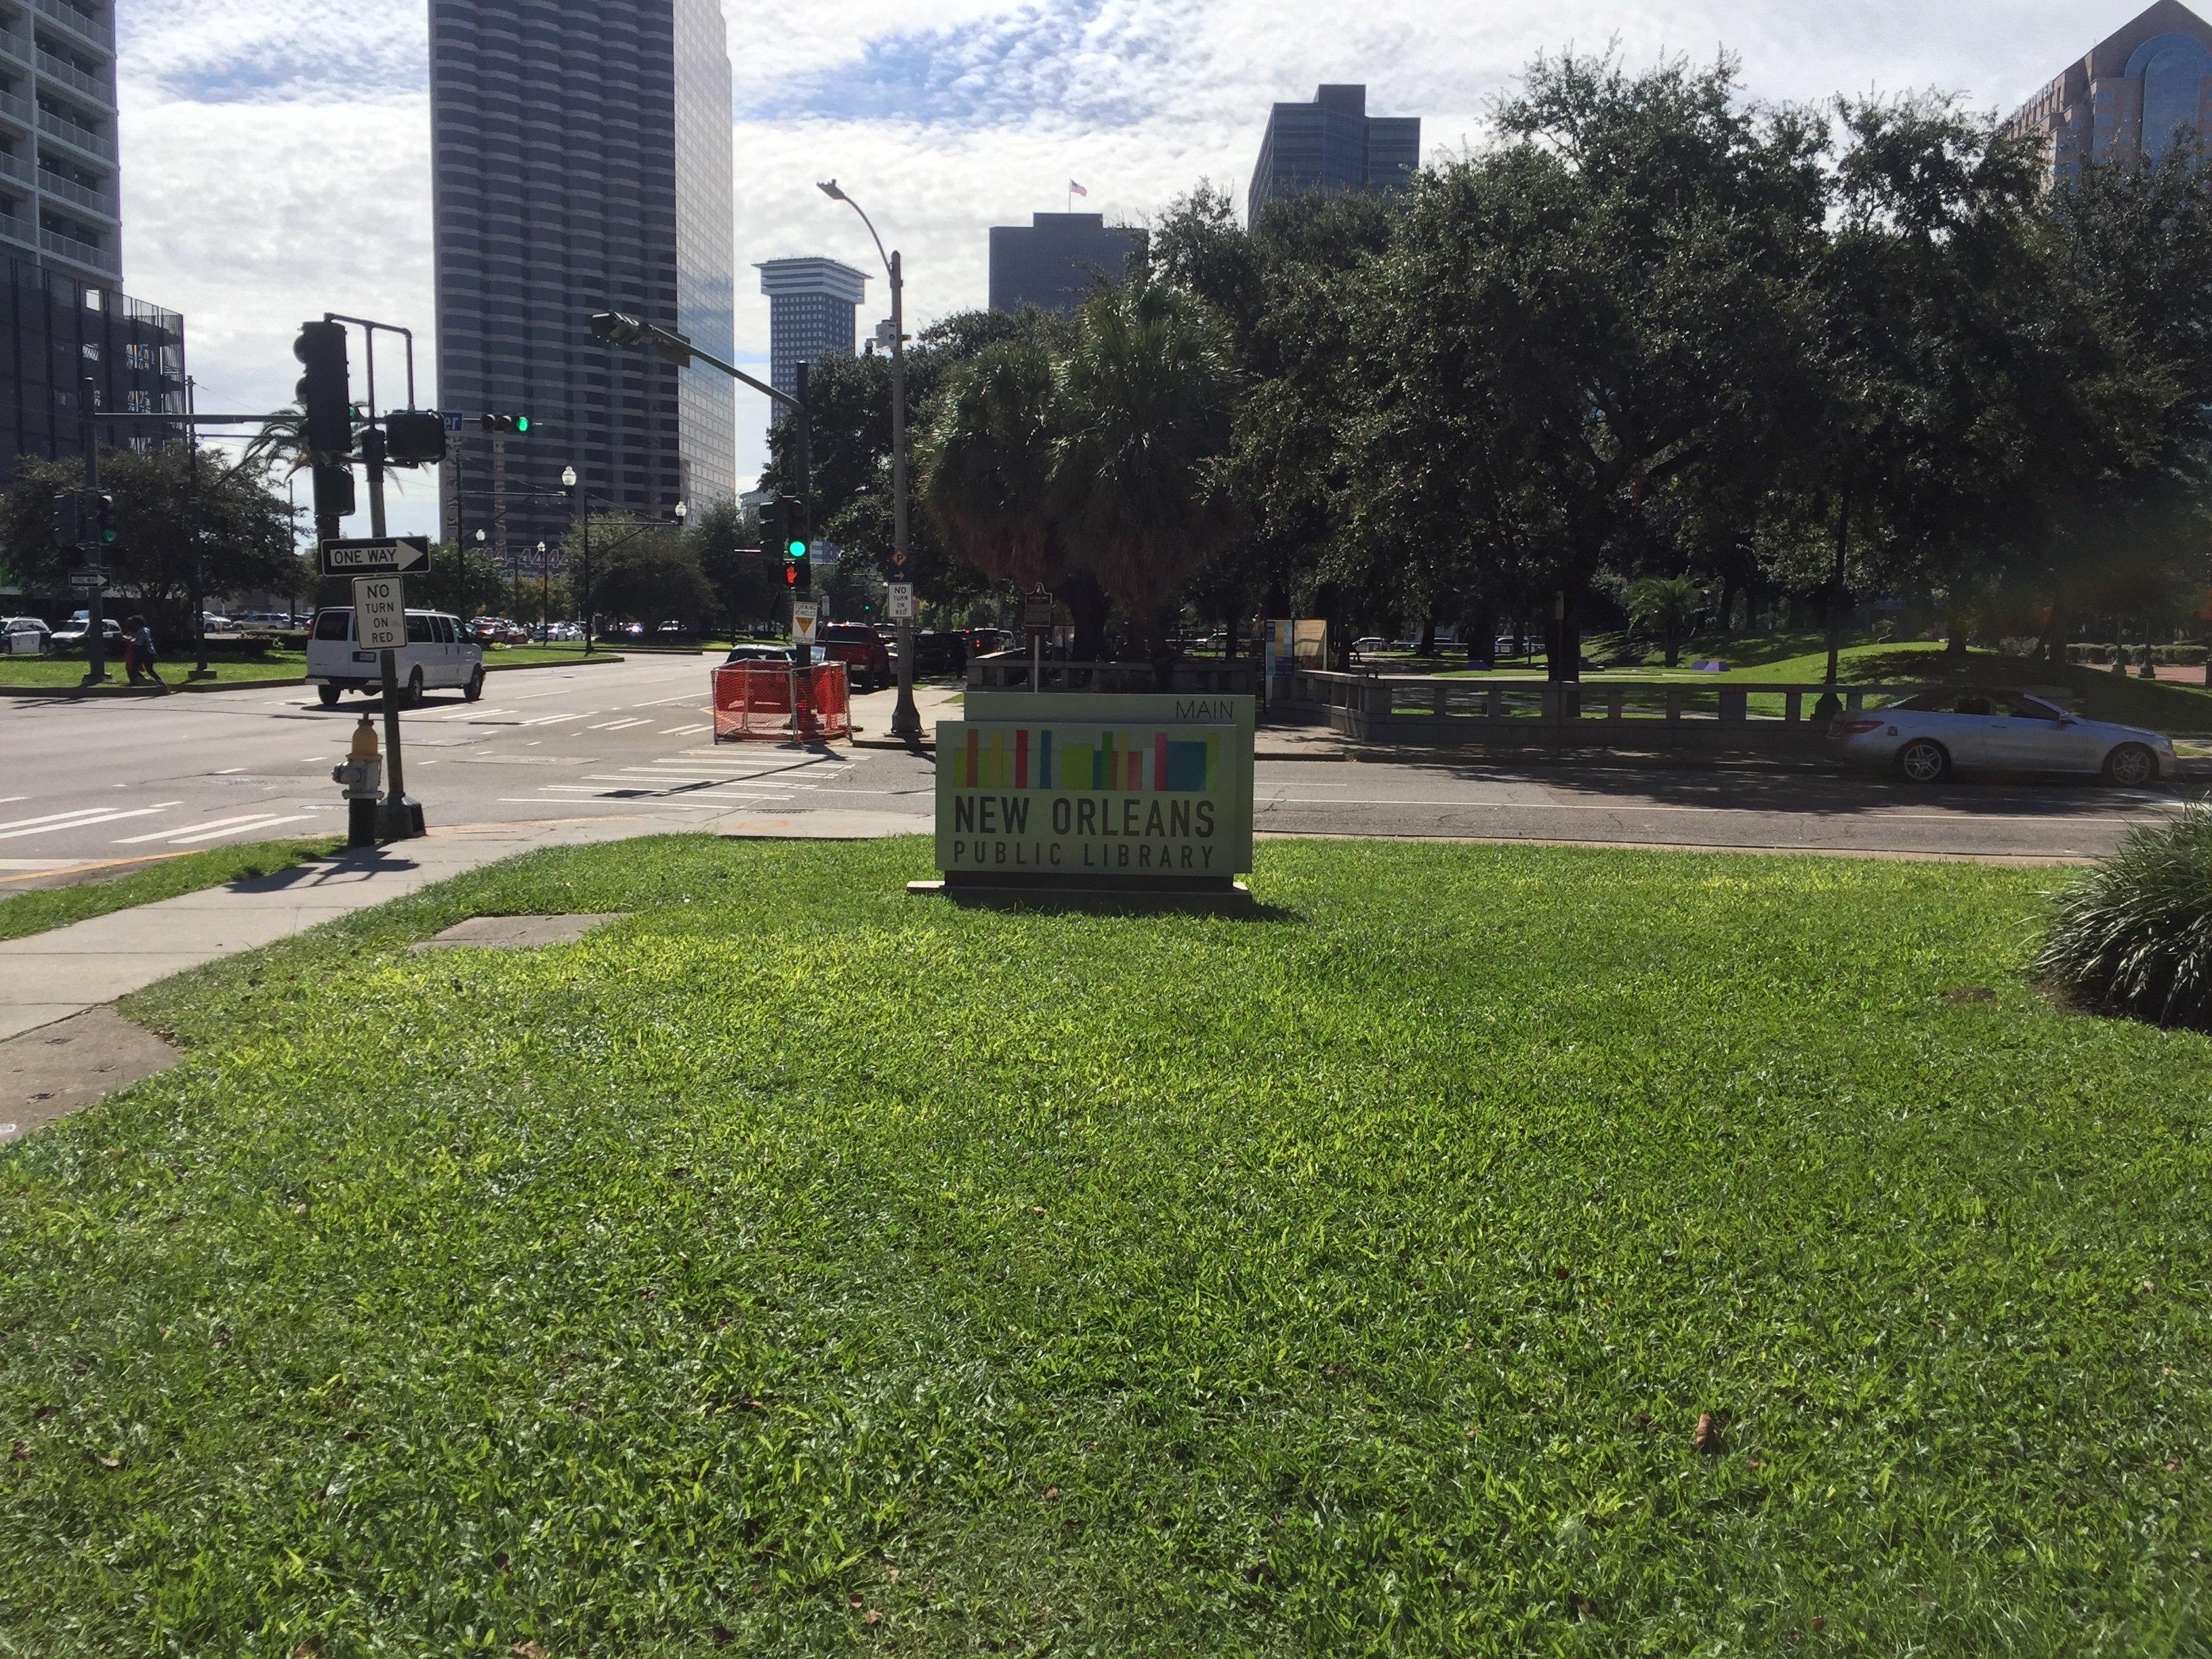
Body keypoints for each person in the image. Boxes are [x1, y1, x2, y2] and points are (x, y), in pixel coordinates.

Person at [124, 615, 167, 692]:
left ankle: (134, 682)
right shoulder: (146, 630)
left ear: (137, 624)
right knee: (148, 669)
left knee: (135, 668)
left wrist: (130, 640)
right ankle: (160, 682)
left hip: (144, 653)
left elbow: (139, 643)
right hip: (150, 652)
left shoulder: (141, 631)